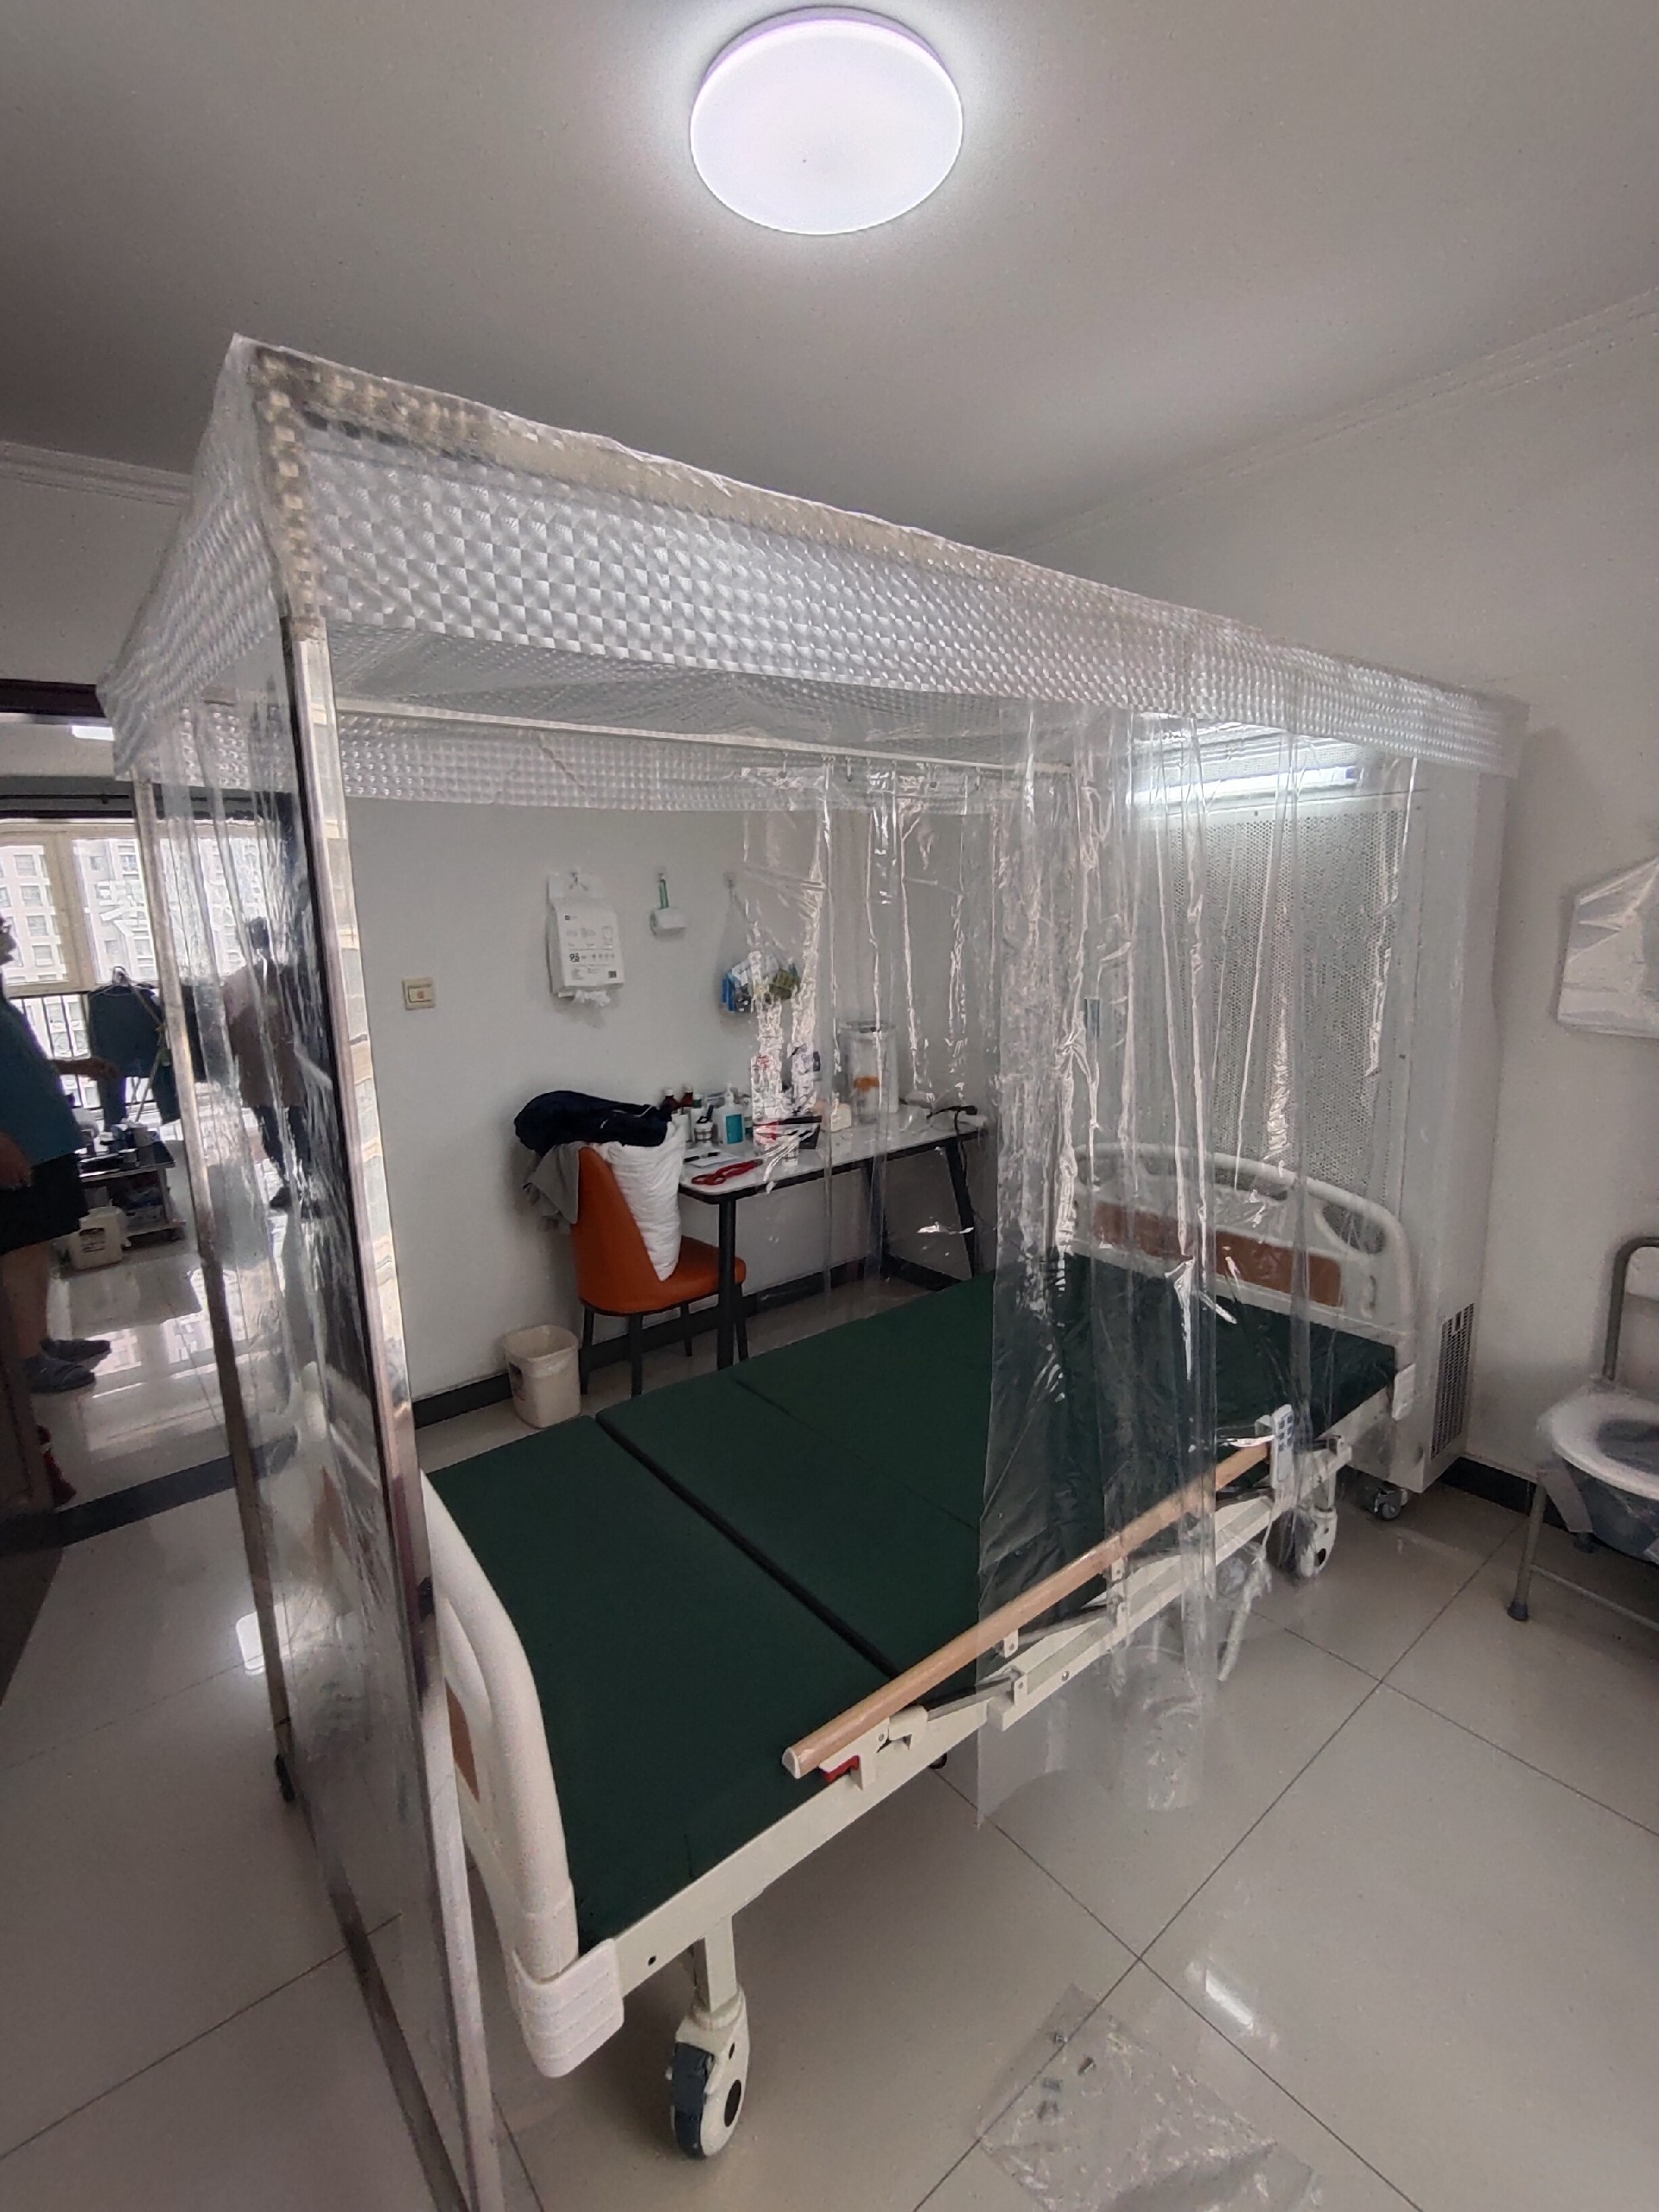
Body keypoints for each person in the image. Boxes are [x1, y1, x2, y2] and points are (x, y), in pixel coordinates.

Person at [0, 918, 119, 1394]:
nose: (9, 940)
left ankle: (40, 1340)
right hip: (16, 1146)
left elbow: (19, 1064)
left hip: (41, 1141)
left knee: (38, 1243)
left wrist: (74, 1066)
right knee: (20, 1249)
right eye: (2, 930)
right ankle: (27, 1359)